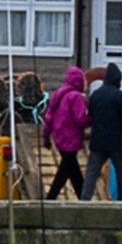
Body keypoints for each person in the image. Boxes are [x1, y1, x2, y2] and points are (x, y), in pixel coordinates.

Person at [84, 63, 122, 201]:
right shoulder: (121, 97)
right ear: (117, 80)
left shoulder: (95, 96)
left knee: (91, 174)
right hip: (117, 143)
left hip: (98, 142)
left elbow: (90, 116)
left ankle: (84, 201)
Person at [42, 65, 90, 200]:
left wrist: (46, 135)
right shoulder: (76, 97)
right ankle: (51, 198)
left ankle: (82, 197)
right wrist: (92, 118)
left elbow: (49, 116)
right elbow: (81, 119)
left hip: (59, 136)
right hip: (71, 136)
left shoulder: (59, 93)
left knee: (72, 168)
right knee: (66, 169)